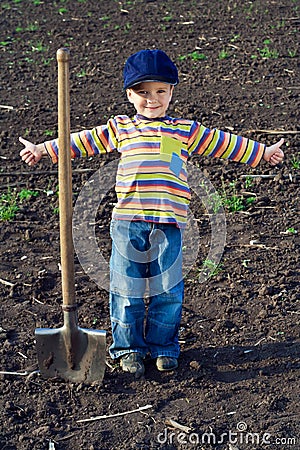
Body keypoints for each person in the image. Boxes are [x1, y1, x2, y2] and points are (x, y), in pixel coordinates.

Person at [20, 49, 284, 378]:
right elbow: (83, 140)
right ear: (130, 95)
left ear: (172, 91)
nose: (153, 99)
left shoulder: (186, 130)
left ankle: (163, 346)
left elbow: (224, 143)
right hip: (128, 223)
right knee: (126, 289)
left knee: (168, 291)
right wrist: (44, 149)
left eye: (161, 91)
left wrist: (263, 153)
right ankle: (128, 348)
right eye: (143, 92)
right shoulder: (121, 127)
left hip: (170, 225)